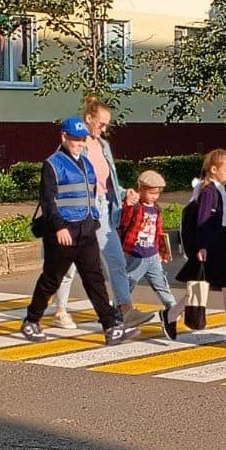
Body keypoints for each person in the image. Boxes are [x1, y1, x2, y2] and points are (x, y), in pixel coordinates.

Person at [20, 117, 139, 346]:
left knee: (94, 279)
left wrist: (94, 221)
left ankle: (111, 327)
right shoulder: (53, 164)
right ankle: (31, 321)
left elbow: (92, 195)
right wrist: (59, 227)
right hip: (63, 233)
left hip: (86, 229)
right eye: (74, 139)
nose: (79, 143)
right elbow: (48, 201)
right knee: (52, 279)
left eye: (82, 139)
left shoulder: (86, 164)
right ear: (63, 137)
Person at [52, 98, 155, 329]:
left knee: (115, 259)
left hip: (101, 209)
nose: (104, 128)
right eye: (102, 123)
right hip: (76, 210)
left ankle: (125, 309)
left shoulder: (103, 146)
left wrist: (123, 192)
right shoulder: (73, 144)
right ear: (88, 119)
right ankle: (60, 310)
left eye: (107, 124)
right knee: (69, 264)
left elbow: (106, 182)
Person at [176, 149, 226, 345]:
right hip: (213, 242)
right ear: (213, 169)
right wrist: (202, 246)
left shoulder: (219, 188)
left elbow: (219, 215)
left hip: (220, 240)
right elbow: (203, 220)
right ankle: (170, 315)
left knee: (219, 285)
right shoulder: (209, 191)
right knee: (206, 285)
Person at [119, 170, 188, 340]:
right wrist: (128, 203)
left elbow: (158, 232)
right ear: (140, 189)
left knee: (161, 284)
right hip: (135, 255)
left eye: (157, 193)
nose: (154, 197)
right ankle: (118, 315)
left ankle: (172, 310)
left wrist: (161, 251)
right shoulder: (135, 207)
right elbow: (124, 220)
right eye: (151, 193)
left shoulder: (156, 209)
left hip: (152, 255)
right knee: (127, 284)